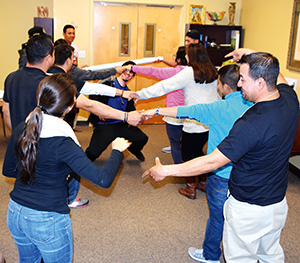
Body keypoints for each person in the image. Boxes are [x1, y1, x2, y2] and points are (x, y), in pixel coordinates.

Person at [142, 49, 299, 263]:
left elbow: (213, 161)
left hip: (248, 209)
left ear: (261, 82)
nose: (240, 84)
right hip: (277, 204)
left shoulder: (251, 123)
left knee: (241, 257)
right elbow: (277, 75)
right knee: (270, 253)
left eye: (243, 79)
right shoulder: (290, 100)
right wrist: (250, 54)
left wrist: (166, 170)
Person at [3, 35, 143, 208]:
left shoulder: (11, 77)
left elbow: (6, 112)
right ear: (49, 57)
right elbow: (89, 103)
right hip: (49, 149)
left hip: (25, 146)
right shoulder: (50, 82)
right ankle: (70, 198)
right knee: (62, 173)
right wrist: (126, 117)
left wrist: (22, 136)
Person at [3, 74, 131, 263]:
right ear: (71, 106)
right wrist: (117, 151)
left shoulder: (24, 126)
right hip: (47, 220)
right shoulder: (63, 141)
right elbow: (103, 179)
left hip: (15, 213)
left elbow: (8, 171)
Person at [142, 64, 252, 263]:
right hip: (248, 175)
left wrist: (156, 110)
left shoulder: (220, 107)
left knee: (217, 218)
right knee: (242, 219)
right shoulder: (257, 106)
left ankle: (210, 255)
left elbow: (186, 111)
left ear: (226, 86)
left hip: (221, 174)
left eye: (218, 83)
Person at [135, 43, 220, 199]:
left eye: (187, 54)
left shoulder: (189, 72)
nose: (185, 57)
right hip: (209, 121)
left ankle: (190, 188)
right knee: (200, 153)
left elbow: (164, 86)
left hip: (193, 123)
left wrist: (139, 94)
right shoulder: (212, 71)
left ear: (191, 56)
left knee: (187, 155)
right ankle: (202, 182)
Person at [48, 44, 136, 128]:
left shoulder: (46, 73)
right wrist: (122, 93)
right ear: (68, 61)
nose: (74, 60)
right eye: (73, 58)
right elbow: (93, 92)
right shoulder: (64, 80)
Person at [129, 46, 187, 164]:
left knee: (175, 143)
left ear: (179, 60)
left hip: (174, 115)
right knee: (185, 142)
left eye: (175, 57)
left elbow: (153, 71)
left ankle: (179, 169)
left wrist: (132, 68)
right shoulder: (194, 71)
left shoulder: (176, 72)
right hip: (189, 113)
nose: (173, 59)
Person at [86, 61, 148, 162]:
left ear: (133, 76)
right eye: (126, 70)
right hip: (105, 124)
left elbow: (131, 111)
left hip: (120, 124)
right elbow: (92, 96)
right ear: (121, 70)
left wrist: (139, 115)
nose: (128, 73)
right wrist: (98, 113)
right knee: (92, 154)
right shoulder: (107, 83)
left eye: (131, 72)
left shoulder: (129, 93)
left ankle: (133, 149)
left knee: (142, 138)